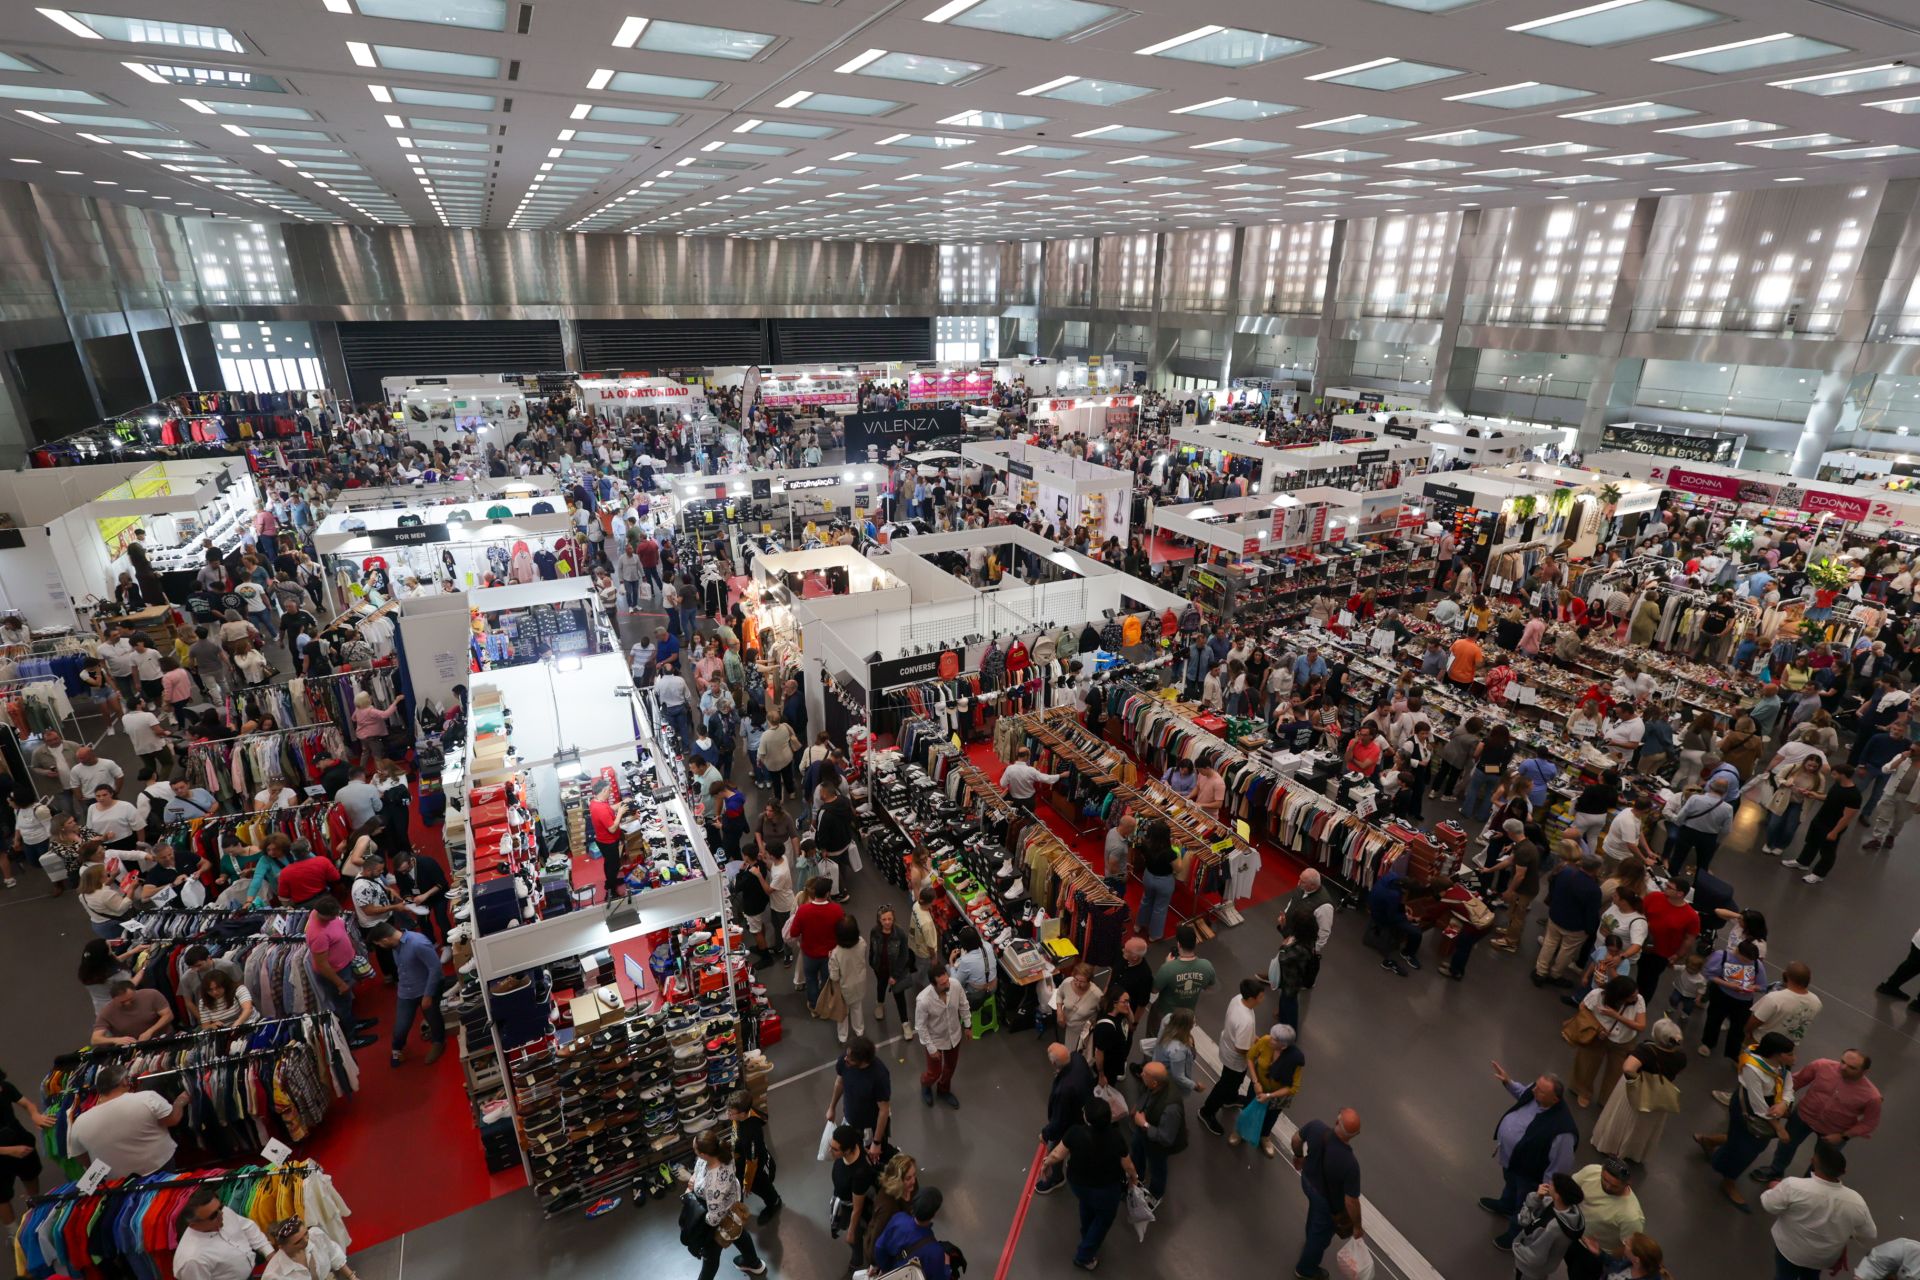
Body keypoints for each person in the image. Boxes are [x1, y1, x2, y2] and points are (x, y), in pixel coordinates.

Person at [1696, 1031, 1798, 1212]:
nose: (1794, 1058)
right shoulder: (1753, 1069)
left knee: (1741, 1140)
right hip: (1750, 1109)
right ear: (1776, 1053)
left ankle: (1709, 1141)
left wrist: (1783, 1104)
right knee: (1746, 1148)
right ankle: (1728, 1180)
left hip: (1771, 1108)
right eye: (1789, 1054)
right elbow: (1758, 1106)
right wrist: (1778, 1128)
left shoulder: (1781, 1066)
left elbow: (1788, 1086)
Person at [1039, 1096, 1138, 1271]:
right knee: (1103, 1219)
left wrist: (1046, 1164)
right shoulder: (1116, 1137)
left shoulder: (1075, 1132)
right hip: (1106, 1188)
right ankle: (1084, 1256)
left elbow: (1057, 1155)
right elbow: (1127, 1164)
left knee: (1086, 1206)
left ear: (1088, 1119)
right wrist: (1133, 1178)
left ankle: (1086, 1232)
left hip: (1079, 1184)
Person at [1753, 1050, 1881, 1183]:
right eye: (1843, 1062)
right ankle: (1775, 1171)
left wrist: (1843, 1136)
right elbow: (1796, 1081)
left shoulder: (1872, 1096)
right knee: (1786, 1146)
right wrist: (1784, 1103)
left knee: (1821, 1162)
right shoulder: (1822, 1065)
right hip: (1803, 1116)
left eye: (1852, 1067)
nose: (1843, 1068)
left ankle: (1806, 1186)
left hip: (1835, 1131)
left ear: (1865, 1071)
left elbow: (1869, 1123)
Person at [1761, 1141, 1877, 1280]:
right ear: (1843, 1172)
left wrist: (1773, 1188)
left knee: (1784, 1276)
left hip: (1789, 1250)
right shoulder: (1856, 1202)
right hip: (1822, 1257)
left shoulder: (1793, 1186)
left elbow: (1770, 1206)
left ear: (1813, 1162)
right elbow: (1869, 1235)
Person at [1591, 1018, 1688, 1163]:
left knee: (1625, 1119)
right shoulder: (1681, 1056)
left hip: (1636, 1092)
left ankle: (1612, 1147)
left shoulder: (1646, 1050)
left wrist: (1639, 1080)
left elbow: (1628, 1068)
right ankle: (1632, 1152)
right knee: (1643, 1127)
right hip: (1659, 1095)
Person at [67, 1066, 186, 1176]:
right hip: (159, 1170)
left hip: (116, 1185)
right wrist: (180, 1101)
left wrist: (104, 1170)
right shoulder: (146, 1098)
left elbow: (81, 1157)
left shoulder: (80, 1122)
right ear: (124, 1081)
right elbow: (172, 1119)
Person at [1291, 1108, 1364, 1280]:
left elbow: (1296, 1139)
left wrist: (1299, 1157)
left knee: (1315, 1216)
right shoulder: (1350, 1164)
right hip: (1327, 1202)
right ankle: (1305, 1269)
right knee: (1320, 1235)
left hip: (1307, 1181)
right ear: (1355, 1134)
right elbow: (1351, 1201)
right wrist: (1357, 1226)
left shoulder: (1316, 1127)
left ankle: (1310, 1238)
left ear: (1337, 1121)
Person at [687, 1130, 767, 1278]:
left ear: (704, 1154)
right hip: (732, 1203)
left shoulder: (714, 1184)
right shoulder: (722, 1152)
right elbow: (700, 1167)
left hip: (719, 1216)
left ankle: (752, 1262)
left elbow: (715, 1217)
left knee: (710, 1258)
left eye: (695, 1150)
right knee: (738, 1232)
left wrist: (700, 1221)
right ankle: (753, 1263)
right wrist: (694, 1177)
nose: (695, 1153)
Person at [365, 922, 445, 1067]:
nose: (381, 948)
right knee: (401, 1026)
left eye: (379, 944)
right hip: (405, 992)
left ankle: (438, 1043)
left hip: (424, 990)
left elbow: (435, 969)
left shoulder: (418, 943)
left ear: (385, 940)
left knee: (434, 1019)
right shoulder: (395, 945)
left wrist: (428, 994)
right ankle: (397, 1049)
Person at [1197, 976, 1263, 1138]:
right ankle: (1207, 1111)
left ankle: (1230, 1098)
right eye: (1260, 996)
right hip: (1235, 1058)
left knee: (1235, 1080)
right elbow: (1241, 1048)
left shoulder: (1238, 998)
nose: (1263, 998)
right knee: (1226, 1084)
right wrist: (1255, 1053)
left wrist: (1252, 1037)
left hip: (1228, 1044)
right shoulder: (1245, 1021)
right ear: (1251, 998)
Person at [1571, 974, 1647, 1110]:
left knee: (1616, 1072)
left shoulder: (1638, 999)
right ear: (1619, 996)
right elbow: (1583, 1008)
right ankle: (1583, 1092)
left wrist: (1616, 1016)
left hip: (1624, 1041)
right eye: (1631, 996)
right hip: (1598, 1036)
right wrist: (1596, 1028)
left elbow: (1641, 1026)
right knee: (1587, 1064)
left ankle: (1606, 1100)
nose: (1636, 998)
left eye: (1636, 994)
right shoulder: (1597, 995)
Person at [173, 1186, 273, 1280]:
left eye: (220, 1207)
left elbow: (247, 1226)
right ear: (193, 1225)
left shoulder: (220, 1212)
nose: (221, 1214)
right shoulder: (192, 1260)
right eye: (213, 1216)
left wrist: (269, 1252)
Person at [1786, 762, 1862, 885]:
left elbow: (1847, 817)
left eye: (1834, 774)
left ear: (1843, 775)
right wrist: (1814, 795)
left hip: (1832, 825)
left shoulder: (1854, 795)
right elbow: (1829, 797)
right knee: (1811, 842)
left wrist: (1834, 832)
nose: (1832, 776)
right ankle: (1803, 862)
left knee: (1827, 852)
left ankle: (1819, 874)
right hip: (1820, 819)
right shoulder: (1838, 785)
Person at [1243, 1022, 1305, 1158]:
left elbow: (1293, 1088)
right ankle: (1241, 1131)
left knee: (1271, 1116)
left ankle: (1264, 1136)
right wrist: (1255, 1082)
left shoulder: (1295, 1059)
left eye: (1274, 1039)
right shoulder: (1265, 1041)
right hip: (1258, 1086)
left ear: (1283, 1046)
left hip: (1278, 1094)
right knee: (1248, 1108)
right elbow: (1250, 1057)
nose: (1269, 1039)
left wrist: (1270, 1095)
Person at [1510, 1172, 1586, 1280]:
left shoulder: (1553, 1228)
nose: (1549, 1184)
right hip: (1538, 1269)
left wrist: (1516, 1246)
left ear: (1558, 1196)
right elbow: (1526, 1219)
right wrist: (1537, 1197)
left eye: (1553, 1184)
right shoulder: (1561, 1207)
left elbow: (1535, 1257)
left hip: (1529, 1270)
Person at [914, 964, 969, 1108]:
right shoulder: (923, 1000)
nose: (947, 984)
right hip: (935, 1040)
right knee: (934, 1072)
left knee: (950, 1067)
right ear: (933, 984)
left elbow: (963, 1004)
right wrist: (931, 1048)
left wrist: (968, 1025)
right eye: (943, 983)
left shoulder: (955, 985)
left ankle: (943, 1090)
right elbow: (921, 1026)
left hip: (954, 1036)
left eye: (947, 980)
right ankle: (925, 1084)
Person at [1129, 1059, 1184, 1204]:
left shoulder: (1171, 1107)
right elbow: (1145, 1094)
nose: (1140, 1074)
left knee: (1157, 1168)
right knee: (1136, 1150)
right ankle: (1138, 1176)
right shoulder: (1155, 1084)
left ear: (1154, 1083)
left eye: (1144, 1074)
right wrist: (1137, 1106)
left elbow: (1166, 1138)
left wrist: (1144, 1124)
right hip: (1142, 1132)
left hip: (1157, 1143)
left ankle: (1156, 1194)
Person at [826, 1035, 892, 1151]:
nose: (846, 1059)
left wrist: (876, 1142)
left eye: (851, 1059)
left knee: (872, 1158)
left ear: (863, 1061)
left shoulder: (879, 1076)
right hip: (850, 1119)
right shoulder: (845, 1060)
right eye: (847, 1055)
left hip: (869, 1127)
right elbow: (840, 1082)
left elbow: (884, 1110)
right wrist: (832, 1107)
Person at [724, 1091, 781, 1226]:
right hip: (741, 1159)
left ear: (743, 1114)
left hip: (754, 1166)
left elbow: (752, 1161)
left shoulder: (750, 1133)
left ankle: (774, 1202)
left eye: (731, 1113)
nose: (728, 1115)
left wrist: (747, 1183)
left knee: (760, 1186)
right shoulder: (742, 1116)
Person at [871, 1188, 951, 1280]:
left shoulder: (898, 1219)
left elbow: (879, 1247)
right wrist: (947, 1266)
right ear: (934, 1214)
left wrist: (887, 1271)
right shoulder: (935, 1251)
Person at [1150, 923, 1217, 1026]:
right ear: (1195, 943)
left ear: (1179, 944)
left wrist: (1167, 964)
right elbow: (1210, 987)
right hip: (1187, 1016)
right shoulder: (1206, 966)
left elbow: (1154, 990)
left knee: (1155, 1038)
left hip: (1166, 1015)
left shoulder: (1168, 968)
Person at [262, 1215, 358, 1280]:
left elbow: (334, 1255)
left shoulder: (316, 1236)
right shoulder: (273, 1275)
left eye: (306, 1233)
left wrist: (352, 1277)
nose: (306, 1240)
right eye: (298, 1241)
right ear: (282, 1247)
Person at [92, 978, 174, 1046]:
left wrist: (150, 1031)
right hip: (136, 1046)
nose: (127, 1003)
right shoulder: (107, 1011)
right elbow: (95, 1039)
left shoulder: (151, 994)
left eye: (131, 1000)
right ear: (113, 999)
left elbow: (168, 1015)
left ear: (135, 991)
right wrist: (116, 1040)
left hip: (165, 1039)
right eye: (122, 1002)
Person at [828, 914, 870, 1045]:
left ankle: (843, 1036)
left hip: (844, 988)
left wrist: (829, 959)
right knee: (857, 1008)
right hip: (860, 983)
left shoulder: (836, 953)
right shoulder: (862, 943)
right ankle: (859, 1030)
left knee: (842, 1012)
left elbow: (834, 976)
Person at [1134, 818, 1178, 940]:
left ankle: (1138, 925)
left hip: (1148, 876)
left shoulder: (1145, 844)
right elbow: (1179, 868)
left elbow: (1142, 855)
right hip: (1164, 881)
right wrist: (1177, 849)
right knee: (1160, 908)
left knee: (1146, 900)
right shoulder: (1170, 852)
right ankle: (1154, 935)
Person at [1051, 963, 1103, 1052]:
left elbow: (1101, 1013)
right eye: (1076, 979)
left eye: (1082, 982)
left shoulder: (1097, 995)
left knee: (1082, 1056)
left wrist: (1093, 1026)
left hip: (1084, 1031)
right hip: (1070, 1029)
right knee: (1070, 1053)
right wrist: (1059, 1012)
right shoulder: (1067, 982)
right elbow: (1059, 994)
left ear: (1089, 981)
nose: (1078, 984)